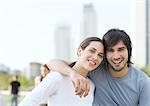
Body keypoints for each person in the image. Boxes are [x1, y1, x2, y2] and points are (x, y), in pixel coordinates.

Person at [47, 29, 150, 106]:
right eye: (110, 50)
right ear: (105, 54)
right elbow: (52, 63)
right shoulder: (96, 69)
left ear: (129, 51)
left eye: (121, 49)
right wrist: (73, 74)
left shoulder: (143, 82)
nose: (116, 56)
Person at [19, 37, 104, 106]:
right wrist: (73, 74)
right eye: (92, 51)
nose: (95, 57)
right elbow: (28, 102)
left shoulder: (91, 85)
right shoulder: (57, 77)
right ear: (79, 51)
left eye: (100, 55)